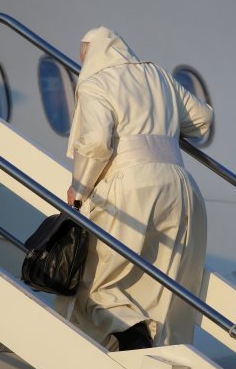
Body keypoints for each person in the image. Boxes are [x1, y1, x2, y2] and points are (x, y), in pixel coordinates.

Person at [57, 26, 214, 351]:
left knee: (98, 287)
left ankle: (133, 341)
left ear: (94, 55)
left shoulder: (94, 83)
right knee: (165, 294)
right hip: (181, 188)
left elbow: (98, 142)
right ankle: (155, 357)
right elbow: (202, 120)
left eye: (83, 58)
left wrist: (79, 189)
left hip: (130, 189)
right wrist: (160, 126)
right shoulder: (158, 76)